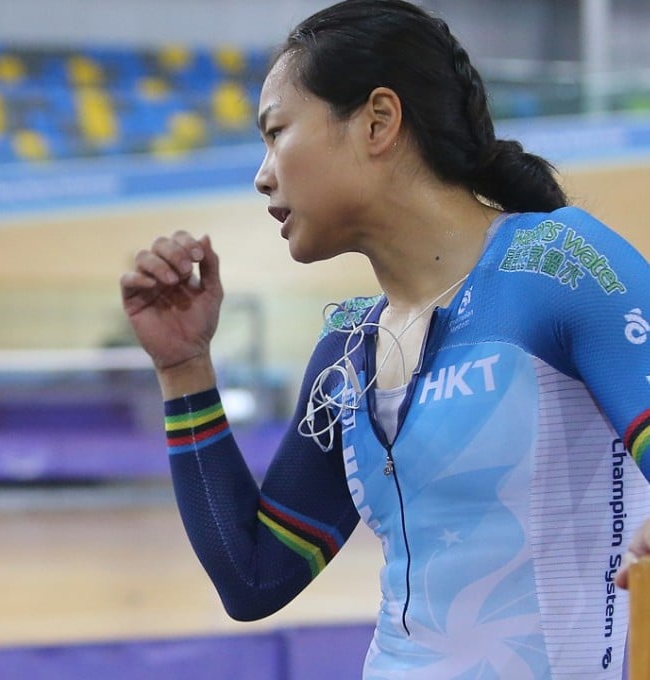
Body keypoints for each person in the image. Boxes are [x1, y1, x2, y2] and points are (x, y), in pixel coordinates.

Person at [119, 0, 650, 677]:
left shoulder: (562, 265)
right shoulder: (346, 351)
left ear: (378, 121)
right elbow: (253, 579)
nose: (262, 174)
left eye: (277, 131)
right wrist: (184, 366)